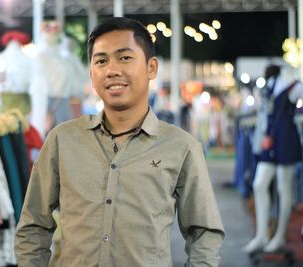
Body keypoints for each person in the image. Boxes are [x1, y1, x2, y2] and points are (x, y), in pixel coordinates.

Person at [15, 17, 224, 267]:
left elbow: (204, 233)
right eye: (101, 61)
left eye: (124, 57)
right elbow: (33, 225)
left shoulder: (181, 147)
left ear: (151, 68)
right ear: (92, 73)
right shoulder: (63, 140)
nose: (112, 69)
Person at [243, 64, 303, 253]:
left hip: (285, 141)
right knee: (260, 184)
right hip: (269, 143)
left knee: (283, 188)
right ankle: (262, 234)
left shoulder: (293, 86)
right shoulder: (269, 87)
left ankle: (279, 235)